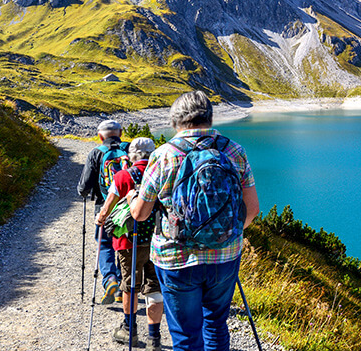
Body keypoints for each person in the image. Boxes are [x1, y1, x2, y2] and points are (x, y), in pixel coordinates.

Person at [129, 91, 260, 351]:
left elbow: (140, 214)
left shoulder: (163, 155)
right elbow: (252, 210)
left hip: (176, 258)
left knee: (187, 335)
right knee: (216, 325)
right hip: (225, 255)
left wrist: (134, 196)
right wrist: (222, 234)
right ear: (209, 117)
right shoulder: (234, 150)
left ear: (175, 120)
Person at [95, 137, 164, 350]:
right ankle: (155, 338)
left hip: (128, 241)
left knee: (130, 285)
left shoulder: (123, 176)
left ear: (131, 157)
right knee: (154, 288)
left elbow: (106, 209)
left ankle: (129, 330)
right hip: (157, 240)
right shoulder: (161, 174)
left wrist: (100, 218)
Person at [77, 119, 127, 304]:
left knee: (104, 245)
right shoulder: (129, 150)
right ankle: (123, 286)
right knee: (124, 245)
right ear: (120, 133)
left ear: (100, 136)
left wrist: (82, 192)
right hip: (129, 208)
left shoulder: (96, 153)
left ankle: (110, 280)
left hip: (104, 208)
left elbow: (84, 187)